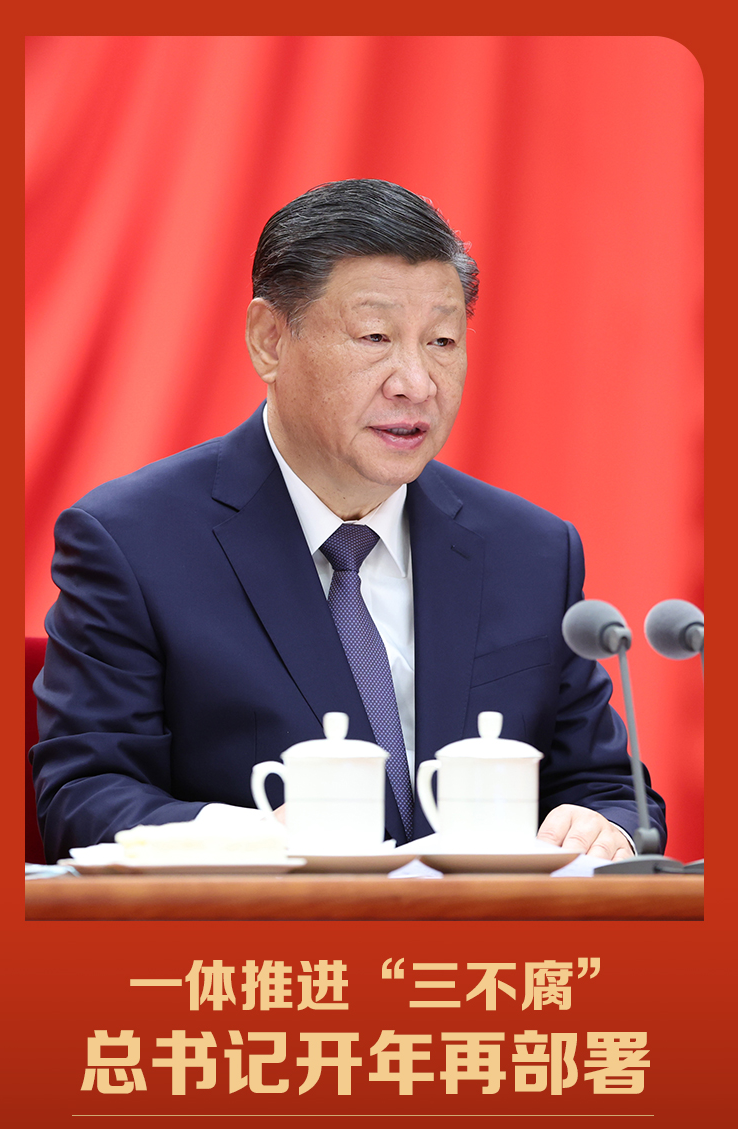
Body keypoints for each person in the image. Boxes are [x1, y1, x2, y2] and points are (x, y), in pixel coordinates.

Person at [32, 178, 665, 863]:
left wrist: (602, 823)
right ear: (270, 340)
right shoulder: (133, 543)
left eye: (442, 341)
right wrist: (249, 840)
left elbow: (608, 787)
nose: (416, 383)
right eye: (375, 336)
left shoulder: (530, 552)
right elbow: (86, 793)